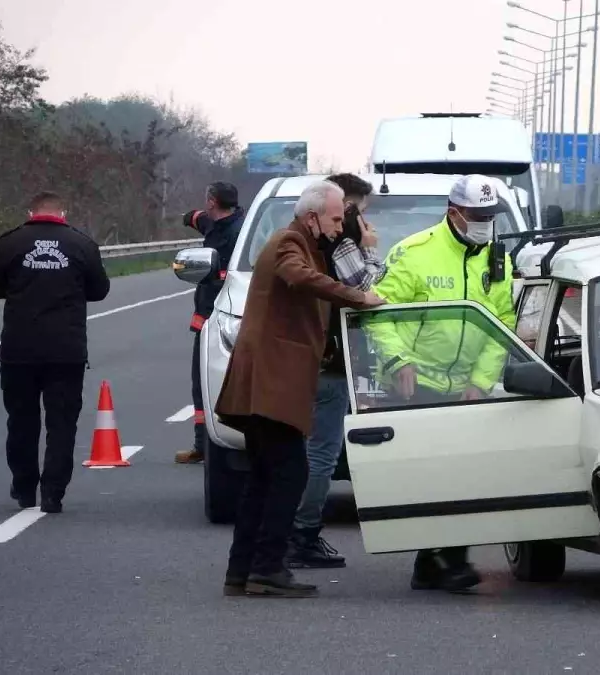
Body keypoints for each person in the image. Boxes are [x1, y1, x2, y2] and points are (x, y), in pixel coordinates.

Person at [214, 181, 384, 597]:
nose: (337, 224)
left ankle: (244, 571)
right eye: (332, 217)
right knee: (291, 473)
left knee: (264, 476)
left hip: (269, 381)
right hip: (271, 381)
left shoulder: (314, 246)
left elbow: (332, 283)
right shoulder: (289, 241)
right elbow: (298, 276)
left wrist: (359, 264)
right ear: (311, 217)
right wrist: (359, 298)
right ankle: (268, 568)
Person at [368, 174, 516, 592]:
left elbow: (500, 324)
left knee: (464, 472)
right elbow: (379, 313)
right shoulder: (415, 254)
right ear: (454, 214)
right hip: (417, 382)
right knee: (439, 474)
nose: (486, 223)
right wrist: (398, 361)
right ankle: (445, 562)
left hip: (465, 385)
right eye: (478, 216)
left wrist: (481, 380)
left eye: (491, 216)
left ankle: (435, 563)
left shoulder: (495, 259)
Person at [0, 191, 110, 513]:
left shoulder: (10, 243)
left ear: (31, 211)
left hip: (18, 350)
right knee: (62, 423)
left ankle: (24, 489)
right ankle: (53, 493)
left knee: (21, 422)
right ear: (62, 213)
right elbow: (100, 290)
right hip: (66, 351)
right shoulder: (81, 245)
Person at [285, 172, 385, 569]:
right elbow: (368, 289)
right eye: (356, 215)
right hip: (327, 365)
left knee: (305, 454)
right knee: (321, 455)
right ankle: (302, 534)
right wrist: (372, 249)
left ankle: (291, 531)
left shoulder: (311, 242)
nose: (358, 224)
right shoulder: (342, 244)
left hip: (311, 360)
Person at [175, 182, 245, 464]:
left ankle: (230, 441)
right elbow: (197, 218)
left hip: (228, 318)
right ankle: (201, 444)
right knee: (200, 385)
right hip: (207, 320)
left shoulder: (237, 233)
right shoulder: (217, 224)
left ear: (212, 201)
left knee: (218, 383)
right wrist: (188, 216)